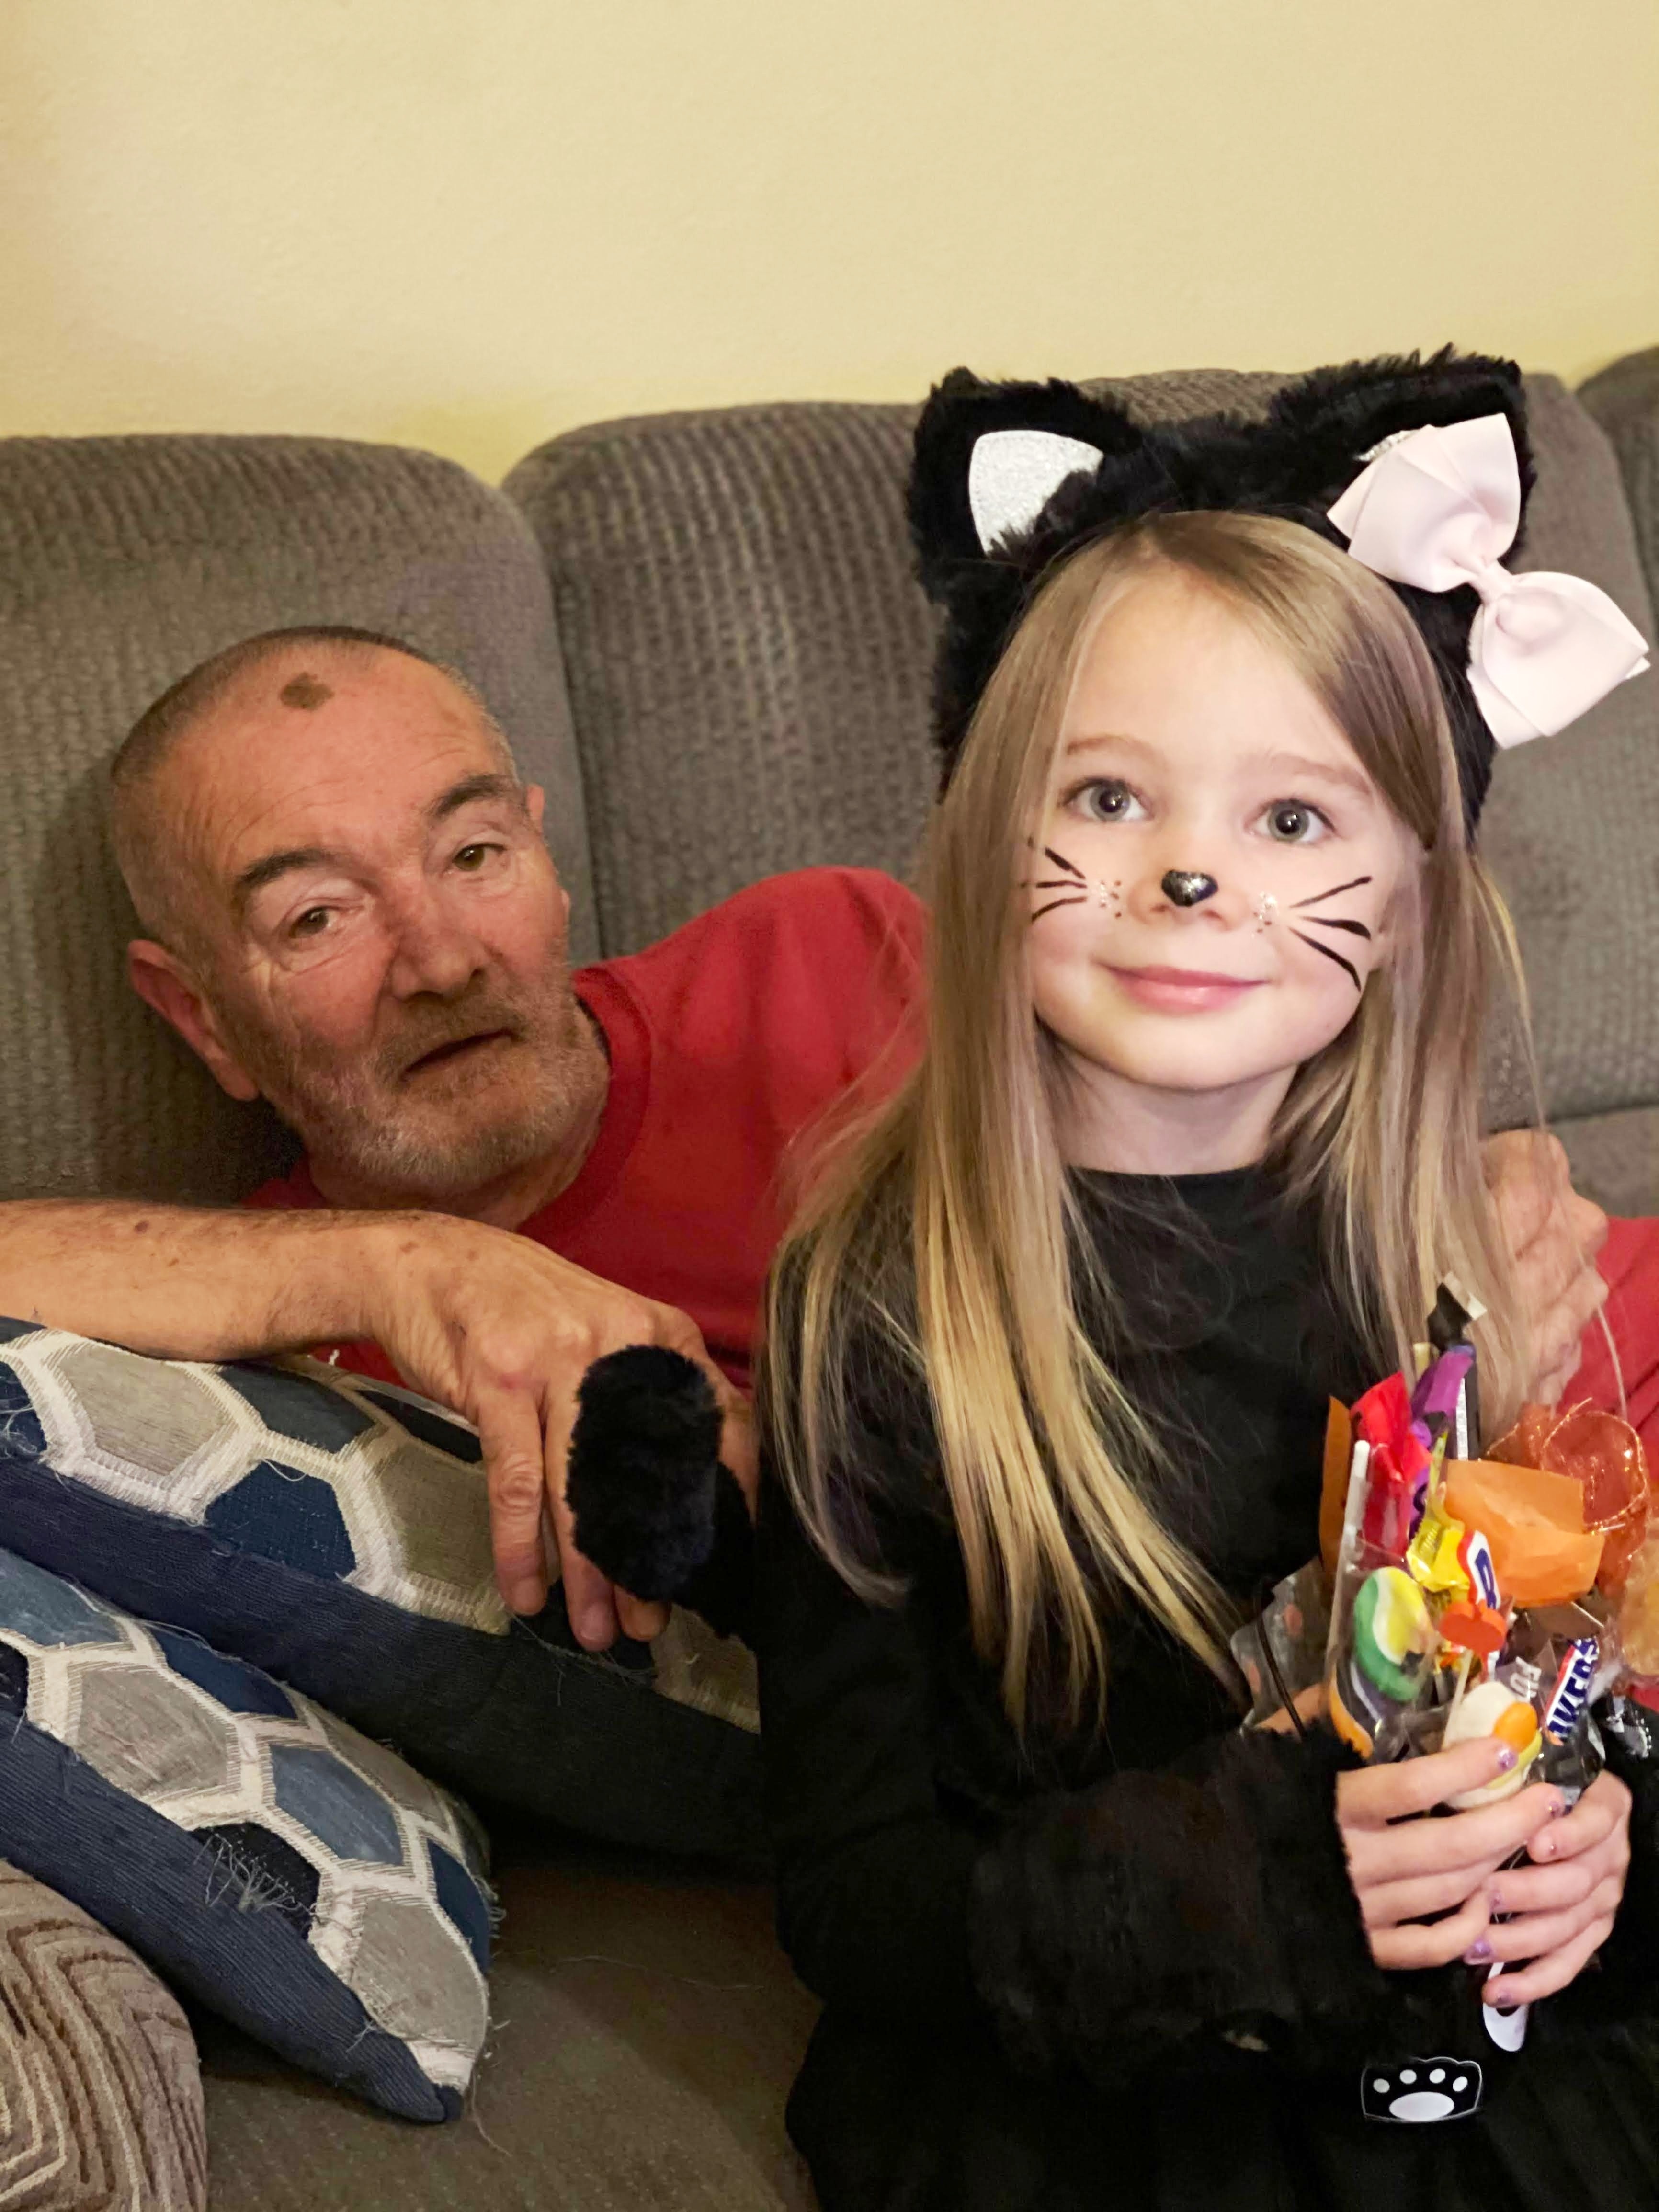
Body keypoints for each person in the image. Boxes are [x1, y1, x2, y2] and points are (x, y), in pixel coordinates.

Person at [0, 609, 1619, 1652]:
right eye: (317, 915)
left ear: (546, 861)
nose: (442, 957)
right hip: (1430, 1629)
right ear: (199, 1015)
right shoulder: (270, 1334)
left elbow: (1287, 1107)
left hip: (1563, 1384)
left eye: (474, 853)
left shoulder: (823, 947)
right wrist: (412, 1264)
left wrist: (1442, 1191)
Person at [754, 356, 1659, 2210]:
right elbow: (852, 1899)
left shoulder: (1453, 1258)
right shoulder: (870, 1305)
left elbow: (1553, 1659)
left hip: (1462, 2069)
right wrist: (1245, 1869)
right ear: (983, 835)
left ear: (1410, 898)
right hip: (1099, 2105)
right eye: (1108, 796)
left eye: (1293, 822)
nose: (1186, 878)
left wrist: (1596, 1834)